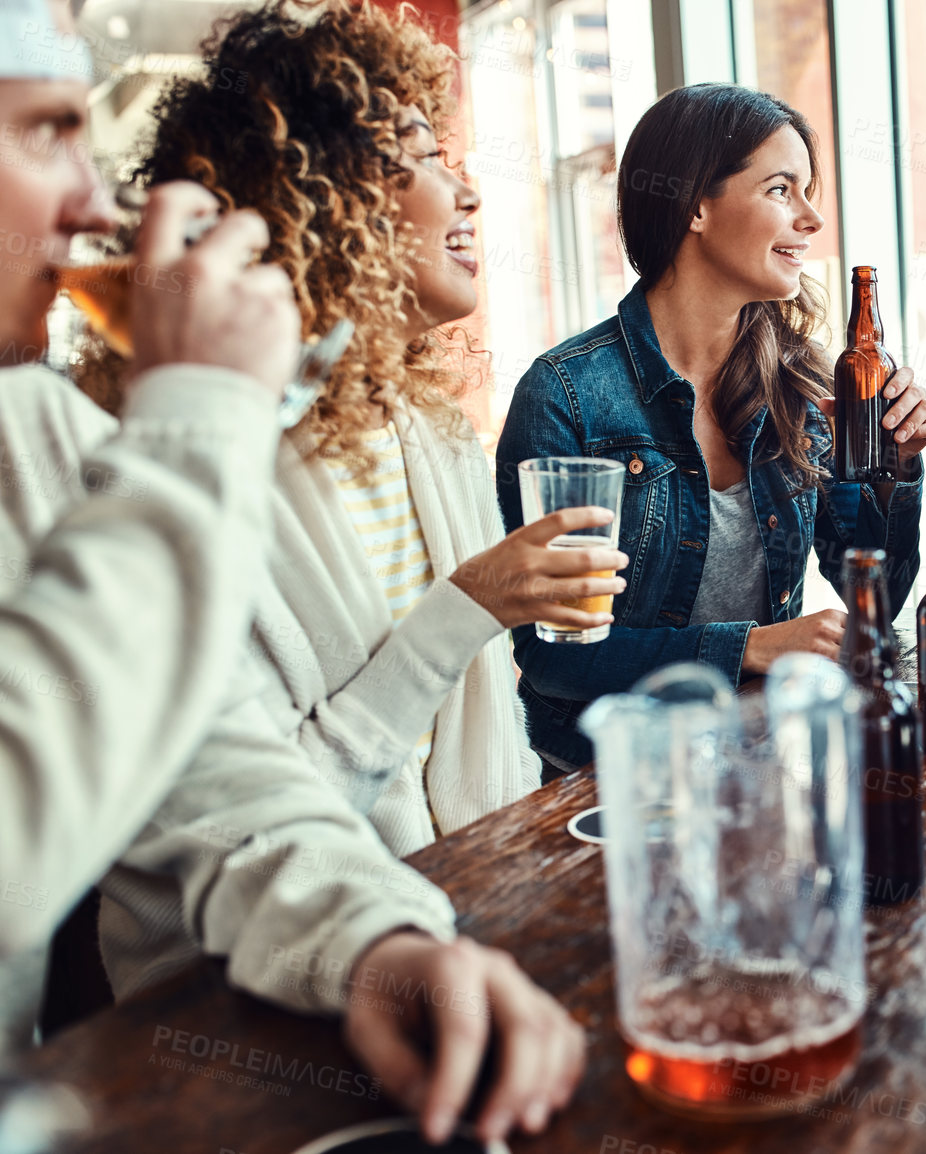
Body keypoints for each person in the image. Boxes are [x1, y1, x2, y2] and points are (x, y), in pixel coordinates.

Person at [0, 1, 584, 1145]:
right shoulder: (174, 434)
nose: (92, 202)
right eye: (42, 132)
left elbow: (212, 774)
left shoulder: (27, 421)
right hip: (201, 1030)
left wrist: (379, 941)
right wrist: (194, 429)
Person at [79, 0, 627, 854]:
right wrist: (469, 607)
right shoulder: (199, 464)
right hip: (263, 967)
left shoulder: (431, 432)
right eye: (425, 160)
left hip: (478, 888)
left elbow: (477, 748)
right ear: (327, 205)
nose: (470, 190)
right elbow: (238, 842)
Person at [495, 83, 926, 778]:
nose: (812, 217)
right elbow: (554, 656)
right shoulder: (566, 396)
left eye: (808, 190)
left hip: (759, 759)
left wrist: (897, 471)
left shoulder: (804, 385)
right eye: (782, 189)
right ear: (696, 204)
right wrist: (749, 648)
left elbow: (874, 599)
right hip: (605, 786)